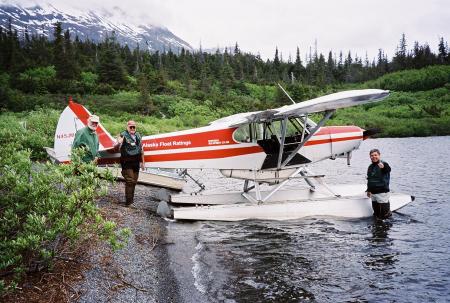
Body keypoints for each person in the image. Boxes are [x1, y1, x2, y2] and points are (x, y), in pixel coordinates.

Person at [117, 120, 145, 206]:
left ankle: (131, 200)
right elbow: (119, 140)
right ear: (127, 127)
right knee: (130, 181)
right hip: (127, 162)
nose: (132, 128)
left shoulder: (138, 135)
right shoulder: (123, 135)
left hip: (136, 162)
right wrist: (119, 140)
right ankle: (128, 202)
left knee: (134, 181)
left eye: (134, 127)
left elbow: (141, 149)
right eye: (130, 127)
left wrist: (143, 162)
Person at [366, 148, 392, 219]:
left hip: (382, 193)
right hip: (373, 194)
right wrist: (368, 190)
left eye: (375, 155)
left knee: (383, 215)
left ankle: (385, 226)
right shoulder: (370, 167)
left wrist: (383, 167)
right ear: (370, 157)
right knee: (376, 213)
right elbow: (369, 179)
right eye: (372, 155)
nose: (374, 157)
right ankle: (377, 226)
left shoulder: (383, 163)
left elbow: (388, 169)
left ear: (379, 155)